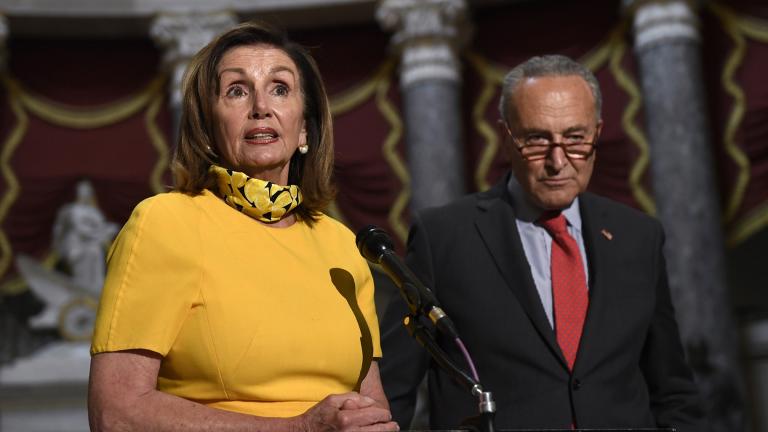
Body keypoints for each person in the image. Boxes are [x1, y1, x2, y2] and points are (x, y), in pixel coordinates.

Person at [88, 22, 398, 432]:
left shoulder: (343, 244)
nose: (260, 107)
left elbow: (371, 405)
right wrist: (297, 429)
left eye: (280, 88)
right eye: (236, 90)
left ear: (305, 127)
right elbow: (116, 413)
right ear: (208, 126)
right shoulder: (164, 223)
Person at [379, 55, 704, 431]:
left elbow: (672, 388)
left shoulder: (638, 237)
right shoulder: (445, 236)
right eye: (537, 140)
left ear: (597, 133)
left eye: (575, 139)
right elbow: (392, 387)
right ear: (506, 138)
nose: (558, 160)